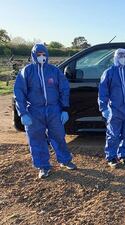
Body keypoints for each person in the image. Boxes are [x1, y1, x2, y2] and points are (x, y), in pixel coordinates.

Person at [14, 43, 77, 179]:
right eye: (38, 55)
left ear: (47, 55)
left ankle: (65, 160)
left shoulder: (54, 71)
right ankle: (43, 166)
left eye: (43, 54)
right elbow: (19, 93)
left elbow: (64, 89)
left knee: (59, 136)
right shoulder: (27, 72)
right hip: (34, 111)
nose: (41, 57)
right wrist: (23, 113)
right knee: (36, 139)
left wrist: (64, 108)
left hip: (54, 110)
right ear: (33, 56)